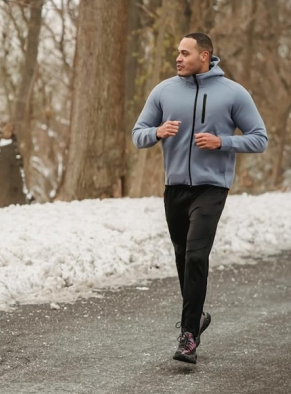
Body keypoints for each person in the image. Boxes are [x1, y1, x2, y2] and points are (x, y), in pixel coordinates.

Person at [132, 33, 268, 364]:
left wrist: (223, 142)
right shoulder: (163, 91)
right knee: (182, 255)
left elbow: (259, 138)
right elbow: (138, 135)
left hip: (212, 187)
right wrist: (157, 133)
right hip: (175, 187)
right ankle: (198, 317)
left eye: (184, 53)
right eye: (177, 53)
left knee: (195, 255)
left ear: (204, 56)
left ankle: (188, 336)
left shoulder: (233, 93)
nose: (177, 58)